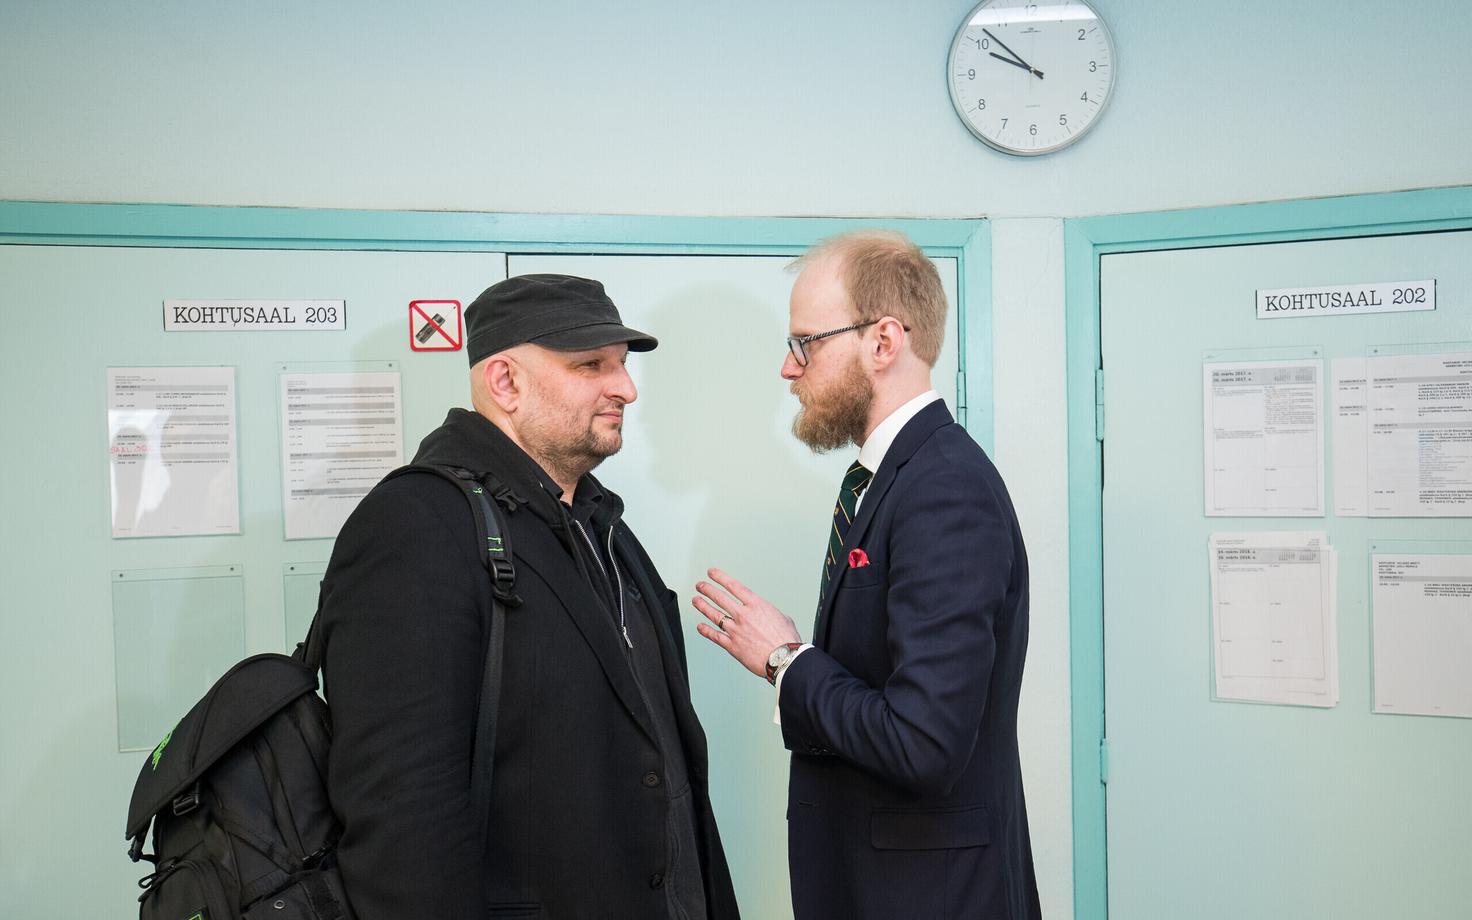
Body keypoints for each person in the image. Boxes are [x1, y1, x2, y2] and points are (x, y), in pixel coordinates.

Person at [319, 274, 740, 920]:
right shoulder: (417, 527)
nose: (625, 387)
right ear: (505, 383)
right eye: (590, 365)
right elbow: (402, 829)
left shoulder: (604, 526)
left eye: (622, 366)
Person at [692, 231, 1041, 920]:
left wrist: (787, 661)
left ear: (883, 342)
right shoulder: (892, 479)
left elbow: (924, 744)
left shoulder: (943, 490)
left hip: (927, 899)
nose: (788, 369)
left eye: (806, 343)